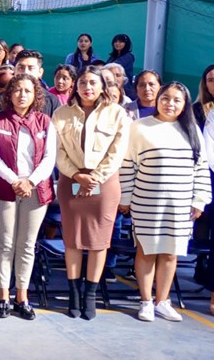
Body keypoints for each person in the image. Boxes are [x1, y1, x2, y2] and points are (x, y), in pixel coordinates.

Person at [120, 82, 211, 322]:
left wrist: (200, 200)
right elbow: (128, 166)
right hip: (146, 202)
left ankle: (162, 301)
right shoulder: (139, 127)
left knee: (171, 254)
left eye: (176, 100)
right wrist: (125, 198)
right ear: (159, 99)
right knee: (146, 251)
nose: (170, 103)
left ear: (184, 105)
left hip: (180, 206)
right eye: (166, 98)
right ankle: (146, 301)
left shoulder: (191, 129)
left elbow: (201, 168)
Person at [52, 65, 129, 320]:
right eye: (83, 82)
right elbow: (58, 151)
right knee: (73, 239)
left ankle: (90, 294)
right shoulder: (62, 113)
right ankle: (73, 291)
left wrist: (95, 177)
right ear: (76, 85)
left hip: (104, 183)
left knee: (98, 241)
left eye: (93, 83)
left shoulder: (117, 113)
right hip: (72, 179)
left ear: (102, 87)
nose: (88, 87)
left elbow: (117, 152)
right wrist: (77, 175)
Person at [0, 75, 57, 320]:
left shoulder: (44, 121)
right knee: (5, 243)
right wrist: (15, 180)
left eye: (27, 90)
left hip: (36, 190)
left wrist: (30, 181)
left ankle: (23, 296)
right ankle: (3, 294)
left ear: (35, 94)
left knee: (27, 245)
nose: (22, 95)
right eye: (17, 90)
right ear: (9, 94)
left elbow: (50, 158)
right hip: (4, 189)